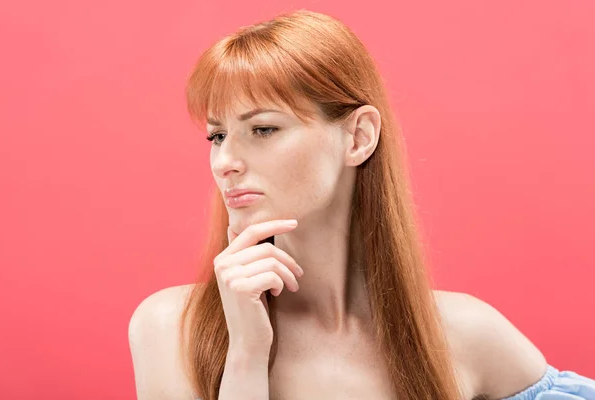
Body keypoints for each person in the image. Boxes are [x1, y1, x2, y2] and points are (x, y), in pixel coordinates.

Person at [128, 9, 595, 400]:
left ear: (359, 136)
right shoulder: (173, 328)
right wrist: (246, 353)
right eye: (217, 136)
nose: (225, 161)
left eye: (263, 129)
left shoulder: (464, 334)